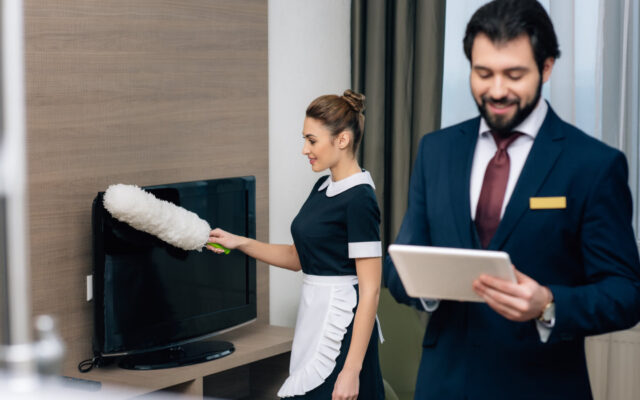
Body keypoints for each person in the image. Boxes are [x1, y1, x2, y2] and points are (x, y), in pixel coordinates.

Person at [384, 0, 640, 399]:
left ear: (547, 67)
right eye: (483, 73)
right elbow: (400, 267)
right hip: (443, 385)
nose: (497, 90)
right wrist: (428, 282)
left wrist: (549, 303)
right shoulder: (436, 150)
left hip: (542, 386)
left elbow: (626, 293)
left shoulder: (593, 164)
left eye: (514, 74)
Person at [208, 90, 385, 400]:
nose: (305, 149)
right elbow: (297, 257)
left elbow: (370, 290)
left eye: (312, 140)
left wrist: (351, 370)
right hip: (314, 315)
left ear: (341, 140)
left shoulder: (359, 199)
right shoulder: (324, 185)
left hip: (341, 325)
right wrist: (241, 242)